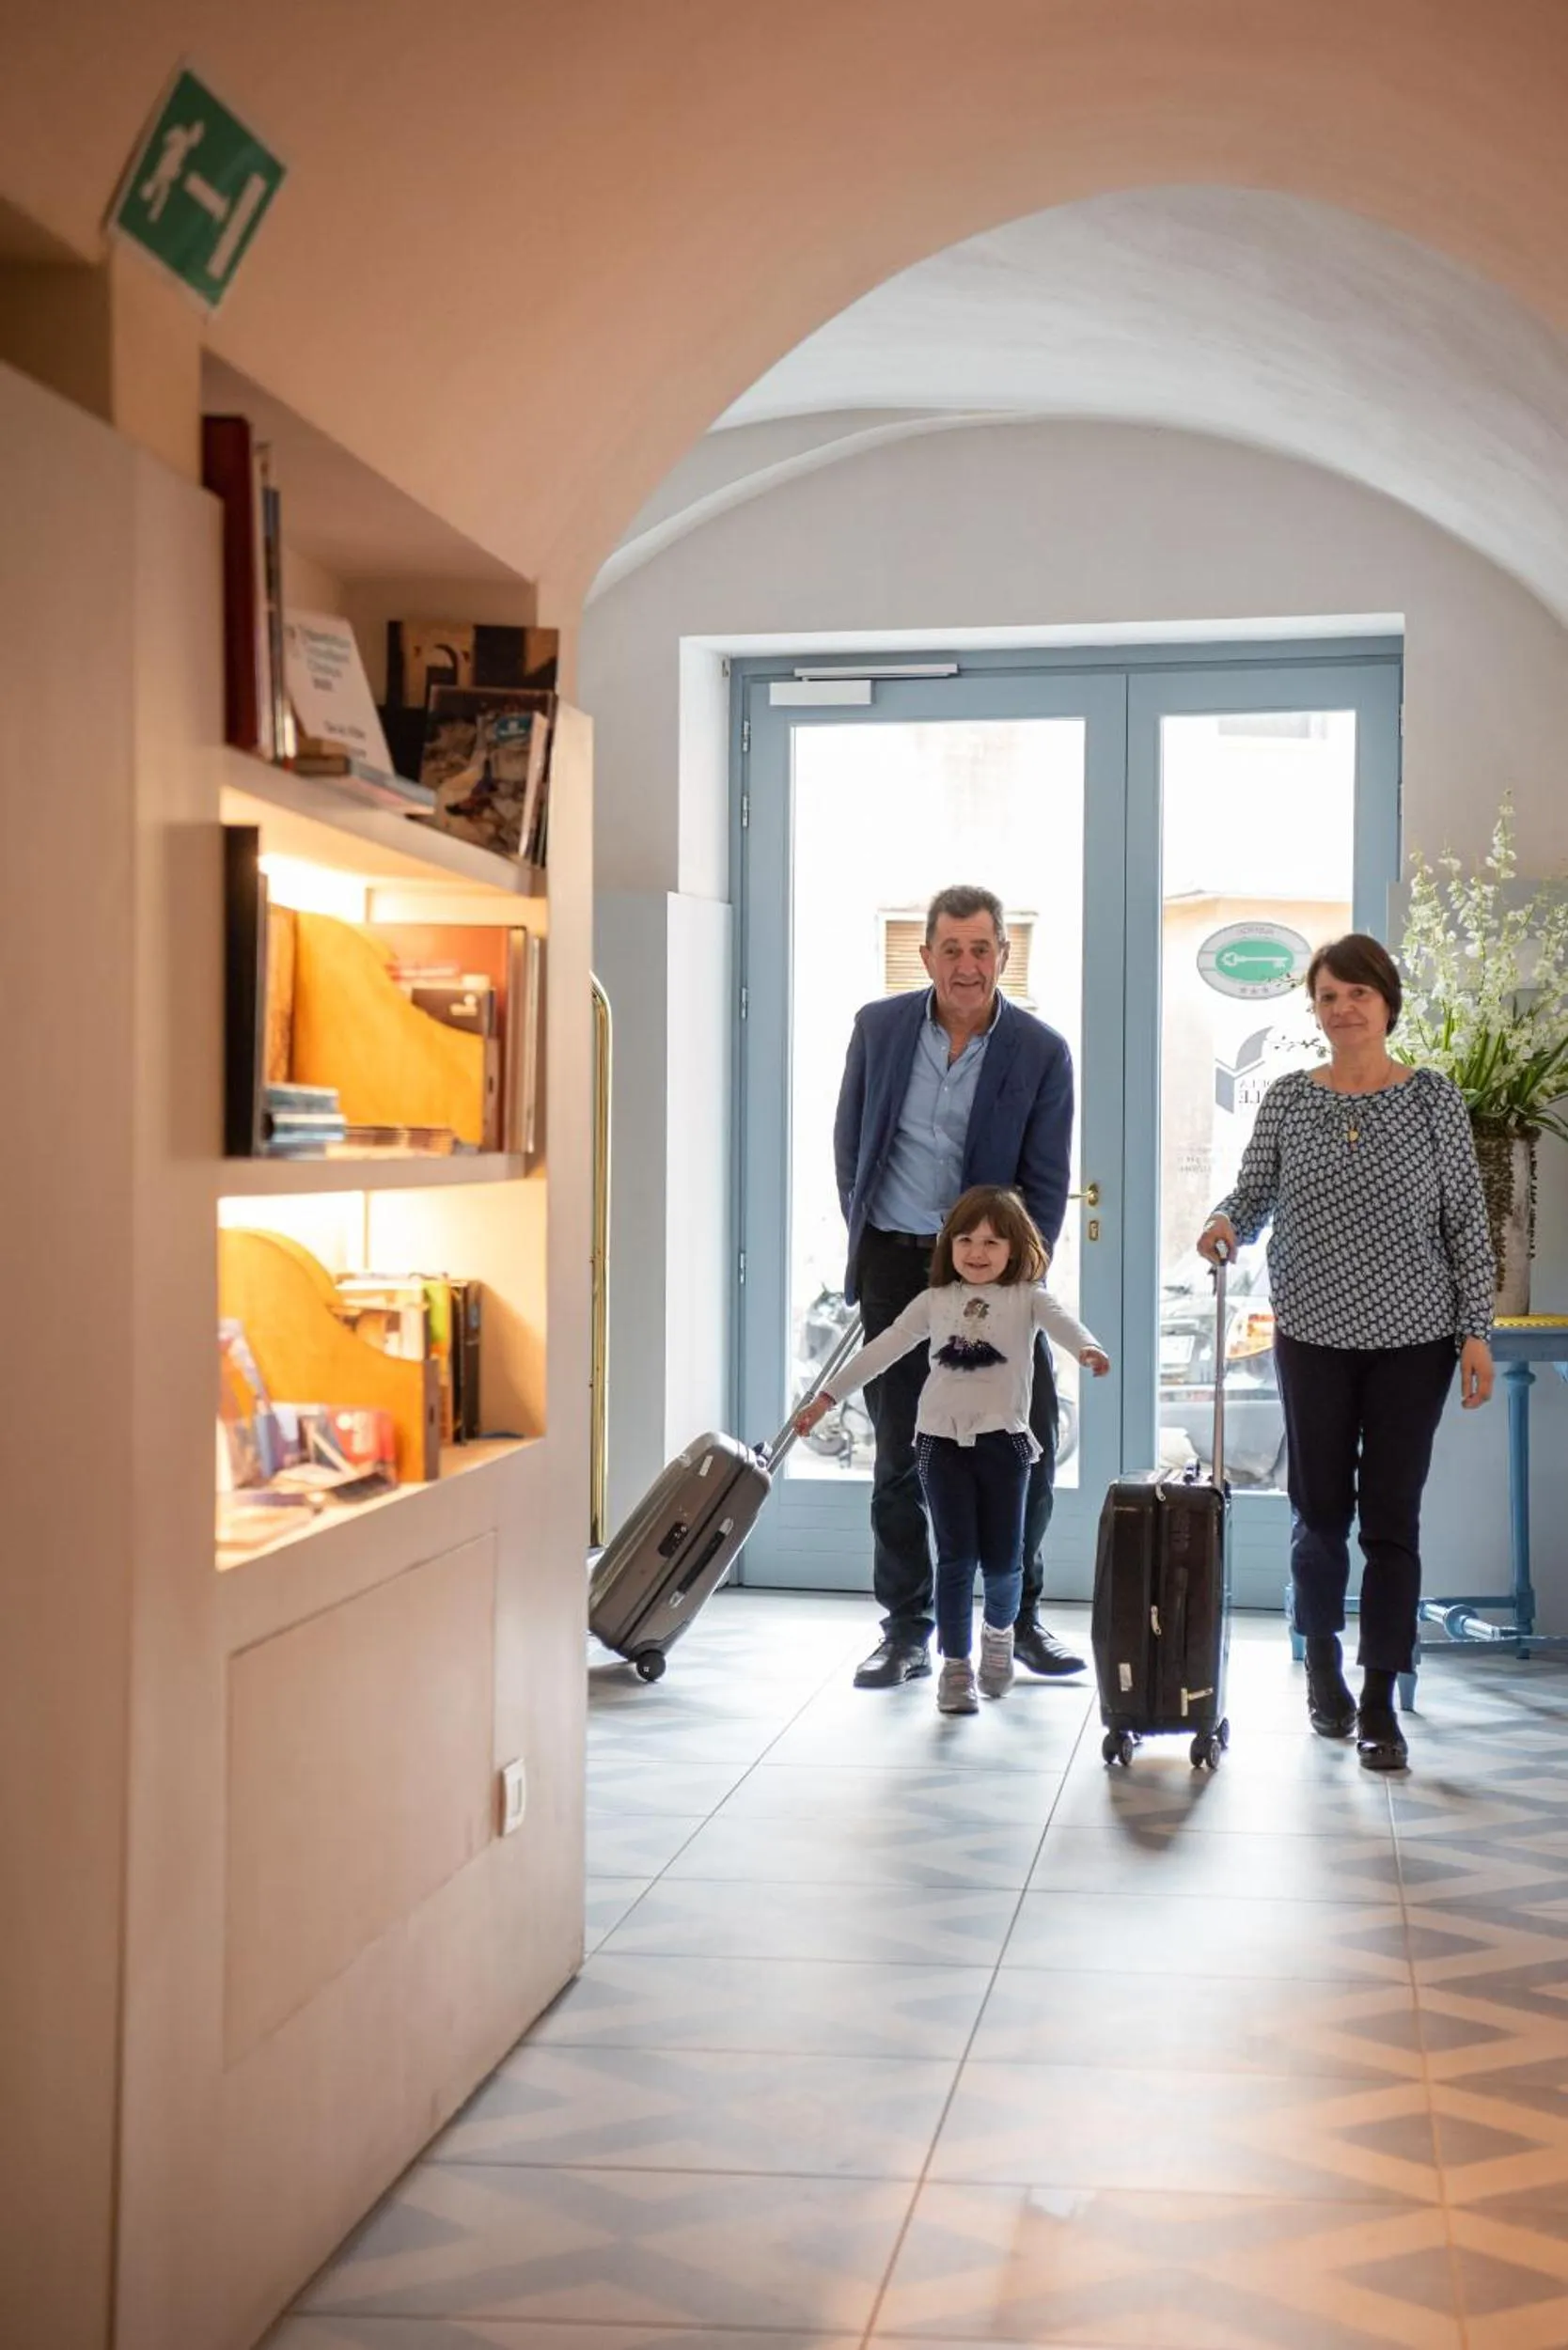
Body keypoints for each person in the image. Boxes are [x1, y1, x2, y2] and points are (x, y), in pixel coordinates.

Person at [1198, 932, 1495, 1772]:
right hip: (1313, 1335)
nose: (1345, 1008)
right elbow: (1252, 1195)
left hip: (1417, 1341)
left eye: (1359, 993)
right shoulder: (1290, 1100)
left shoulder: (1433, 1101)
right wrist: (1225, 1222)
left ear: (1387, 1003)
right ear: (1317, 1011)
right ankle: (1322, 1664)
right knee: (1319, 1513)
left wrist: (1477, 1331)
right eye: (1329, 996)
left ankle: (1379, 1698)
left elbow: (1466, 1224)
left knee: (1391, 1521)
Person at [834, 884, 1082, 1688]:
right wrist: (874, 1241)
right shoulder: (878, 1030)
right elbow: (852, 1151)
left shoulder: (1041, 1053)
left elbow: (1046, 1184)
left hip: (998, 1274)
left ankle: (1019, 1614)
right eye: (952, 949)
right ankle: (907, 1629)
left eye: (982, 949)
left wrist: (1014, 1271)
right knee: (903, 1449)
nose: (967, 965)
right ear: (927, 954)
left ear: (1004, 956)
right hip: (897, 1264)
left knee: (1024, 1442)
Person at [797, 1187, 1109, 1711]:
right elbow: (881, 1349)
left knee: (1005, 1562)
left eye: (992, 1241)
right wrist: (826, 1396)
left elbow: (1064, 1326)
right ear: (948, 1246)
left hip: (1005, 1445)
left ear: (1016, 1247)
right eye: (965, 1239)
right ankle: (956, 1666)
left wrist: (1088, 1349)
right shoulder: (934, 1301)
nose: (977, 1251)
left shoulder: (1028, 1297)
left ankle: (1000, 1636)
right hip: (939, 1446)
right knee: (956, 1559)